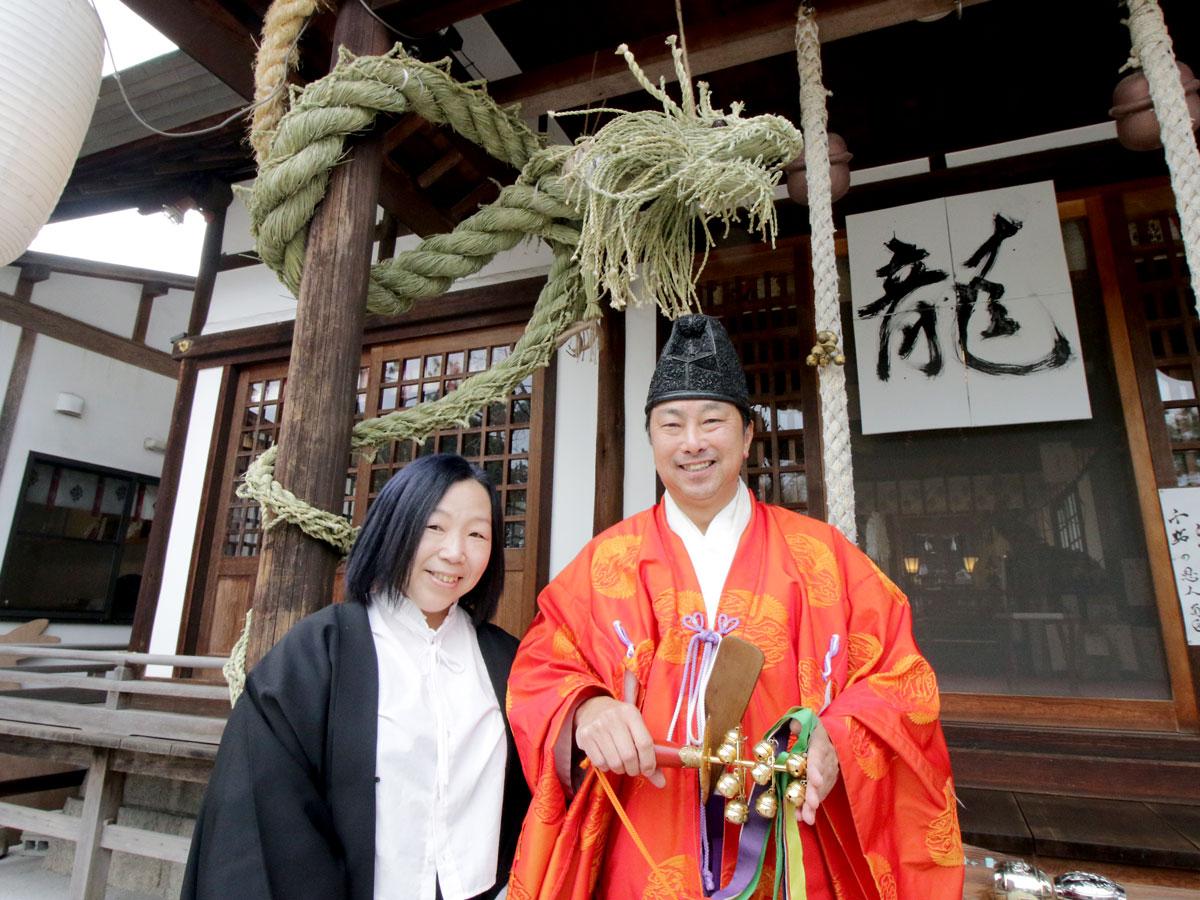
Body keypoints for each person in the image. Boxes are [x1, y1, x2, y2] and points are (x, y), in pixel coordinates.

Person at [506, 315, 963, 898]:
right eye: (671, 424)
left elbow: (902, 678)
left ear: (747, 435)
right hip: (645, 844)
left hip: (794, 847)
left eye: (712, 421)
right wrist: (588, 711)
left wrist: (839, 737)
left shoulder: (822, 558)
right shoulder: (605, 563)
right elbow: (542, 668)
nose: (692, 442)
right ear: (652, 440)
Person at [183, 454, 530, 900]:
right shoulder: (320, 651)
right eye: (434, 527)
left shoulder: (507, 660)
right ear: (395, 527)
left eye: (477, 534)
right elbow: (263, 812)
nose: (455, 551)